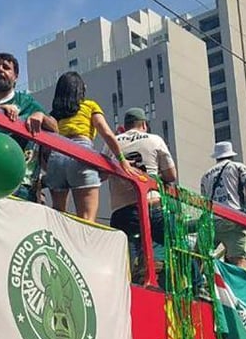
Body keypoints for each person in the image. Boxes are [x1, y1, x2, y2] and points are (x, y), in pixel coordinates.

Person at [46, 71, 134, 221]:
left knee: (58, 217)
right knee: (87, 219)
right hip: (81, 154)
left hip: (56, 157)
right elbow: (106, 133)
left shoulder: (54, 114)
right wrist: (121, 159)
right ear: (81, 90)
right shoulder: (89, 106)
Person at [0, 52, 58, 201]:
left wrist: (41, 116)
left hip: (19, 186)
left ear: (15, 76)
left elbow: (55, 128)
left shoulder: (25, 101)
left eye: (6, 67)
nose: (0, 70)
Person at [108, 107, 176, 279]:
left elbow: (100, 174)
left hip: (123, 211)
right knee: (176, 242)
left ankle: (128, 283)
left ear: (125, 126)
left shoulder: (113, 142)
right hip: (151, 206)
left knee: (125, 257)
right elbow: (171, 175)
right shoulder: (154, 140)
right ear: (144, 124)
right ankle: (197, 284)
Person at [200, 141, 246, 269]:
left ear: (216, 156)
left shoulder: (205, 176)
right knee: (239, 261)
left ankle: (198, 285)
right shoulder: (238, 167)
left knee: (200, 257)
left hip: (211, 221)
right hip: (234, 218)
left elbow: (204, 201)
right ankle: (237, 288)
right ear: (231, 154)